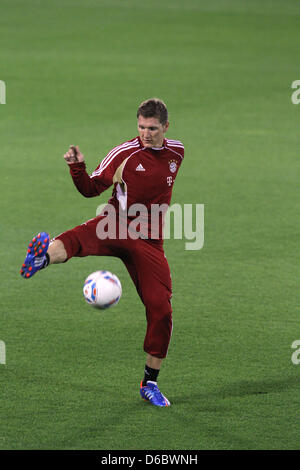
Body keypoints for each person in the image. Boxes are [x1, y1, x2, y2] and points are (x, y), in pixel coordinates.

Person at [20, 98, 184, 407]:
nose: (145, 134)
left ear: (165, 127)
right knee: (78, 239)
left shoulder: (177, 152)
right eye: (140, 127)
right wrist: (77, 167)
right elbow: (91, 188)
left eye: (152, 128)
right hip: (115, 224)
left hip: (149, 242)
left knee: (161, 310)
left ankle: (149, 383)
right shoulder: (125, 154)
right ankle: (43, 257)